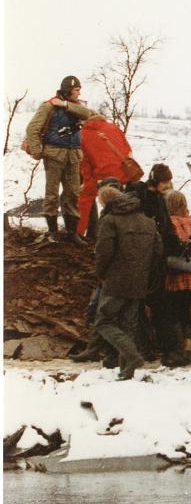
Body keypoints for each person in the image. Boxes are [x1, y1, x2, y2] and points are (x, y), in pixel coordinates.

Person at [93, 184, 161, 380]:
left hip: (116, 280)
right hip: (140, 281)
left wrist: (100, 272)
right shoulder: (148, 222)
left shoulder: (110, 220)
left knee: (103, 321)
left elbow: (103, 251)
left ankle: (131, 355)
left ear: (106, 202)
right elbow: (158, 251)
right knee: (128, 325)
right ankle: (127, 371)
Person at [125, 164, 187, 367]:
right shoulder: (137, 196)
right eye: (165, 181)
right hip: (140, 259)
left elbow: (167, 228)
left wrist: (179, 248)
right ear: (156, 180)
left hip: (150, 260)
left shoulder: (153, 198)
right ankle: (155, 348)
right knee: (146, 306)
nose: (168, 185)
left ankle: (155, 348)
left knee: (156, 305)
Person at [24, 75, 94, 242]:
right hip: (54, 155)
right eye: (76, 90)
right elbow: (32, 129)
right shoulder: (48, 106)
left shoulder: (76, 106)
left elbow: (89, 114)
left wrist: (64, 105)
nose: (79, 93)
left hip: (73, 156)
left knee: (73, 194)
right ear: (68, 90)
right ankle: (53, 232)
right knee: (52, 194)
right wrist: (36, 151)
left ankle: (72, 233)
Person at [70, 177, 125, 364]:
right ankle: (97, 349)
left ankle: (107, 351)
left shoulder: (113, 217)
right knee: (98, 310)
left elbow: (106, 249)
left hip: (112, 274)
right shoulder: (110, 215)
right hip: (112, 273)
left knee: (103, 312)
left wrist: (101, 270)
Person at [75, 114, 138, 238]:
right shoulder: (114, 128)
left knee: (84, 198)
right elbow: (128, 150)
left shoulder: (81, 134)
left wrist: (86, 182)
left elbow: (85, 163)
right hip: (123, 173)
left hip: (102, 174)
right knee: (122, 202)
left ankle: (79, 233)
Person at [165, 190, 191, 365]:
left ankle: (178, 347)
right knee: (185, 310)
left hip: (174, 273)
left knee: (173, 311)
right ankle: (189, 346)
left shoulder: (169, 223)